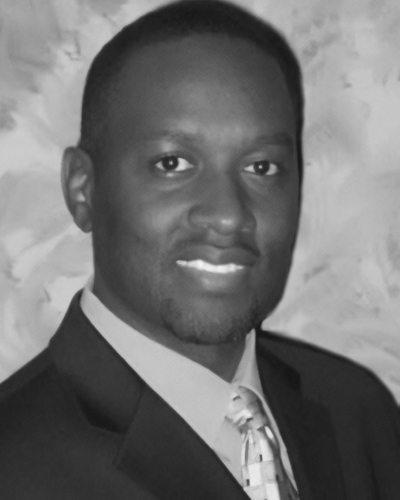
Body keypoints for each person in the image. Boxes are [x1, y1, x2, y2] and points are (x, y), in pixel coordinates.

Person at [0, 1, 400, 498]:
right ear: (83, 190)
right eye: (172, 164)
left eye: (262, 167)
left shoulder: (358, 413)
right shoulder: (13, 465)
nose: (229, 215)